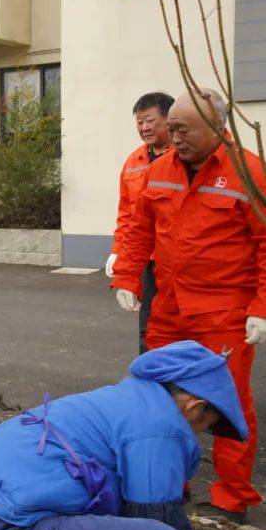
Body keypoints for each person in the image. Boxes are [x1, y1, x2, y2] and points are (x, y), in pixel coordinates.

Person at [0, 340, 247, 530]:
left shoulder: (128, 397)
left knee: (120, 525)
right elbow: (159, 520)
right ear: (194, 407)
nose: (197, 434)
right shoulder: (161, 426)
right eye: (204, 426)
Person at [112, 88, 266, 523]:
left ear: (217, 128)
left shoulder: (249, 173)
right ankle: (166, 485)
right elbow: (138, 229)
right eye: (171, 128)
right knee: (160, 396)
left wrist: (262, 306)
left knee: (226, 402)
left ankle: (232, 496)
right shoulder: (160, 171)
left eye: (182, 129)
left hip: (225, 312)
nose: (172, 137)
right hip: (169, 308)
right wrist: (126, 275)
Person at [105, 92, 174, 354]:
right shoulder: (134, 162)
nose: (144, 128)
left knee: (182, 326)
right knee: (149, 326)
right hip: (146, 258)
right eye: (139, 123)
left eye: (150, 121)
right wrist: (118, 251)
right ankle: (151, 383)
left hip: (178, 257)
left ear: (169, 120)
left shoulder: (184, 157)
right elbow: (126, 213)